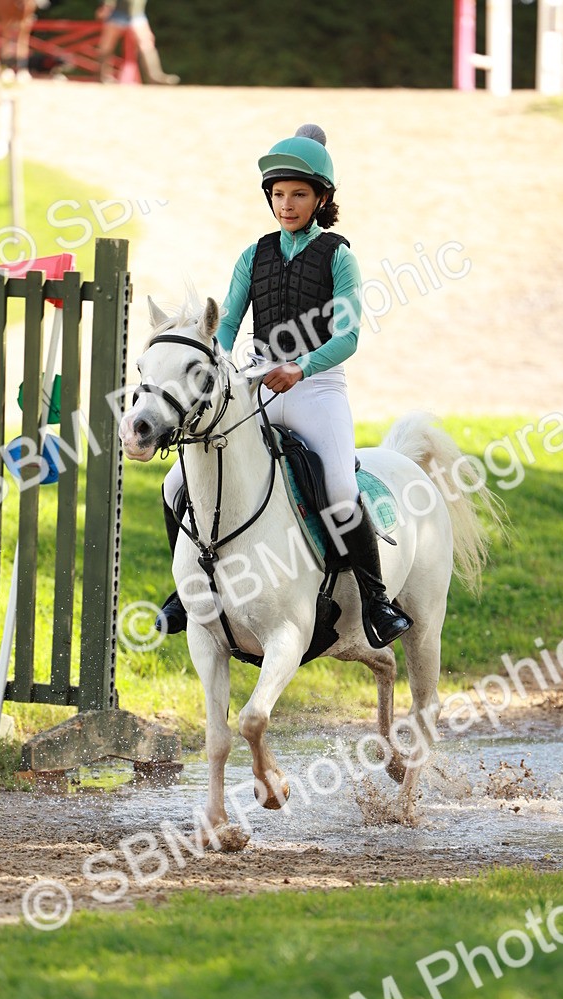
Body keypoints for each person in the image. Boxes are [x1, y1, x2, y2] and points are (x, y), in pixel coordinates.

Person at [156, 123, 412, 649]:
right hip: (257, 386)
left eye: (298, 195)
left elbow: (349, 336)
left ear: (321, 199)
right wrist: (216, 363)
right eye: (278, 195)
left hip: (317, 389)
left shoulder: (339, 256)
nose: (286, 204)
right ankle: (187, 592)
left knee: (339, 488)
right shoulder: (254, 256)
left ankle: (376, 598)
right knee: (175, 485)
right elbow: (225, 328)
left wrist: (301, 367)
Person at [96, 0, 179, 85]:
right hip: (116, 14)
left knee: (147, 44)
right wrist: (106, 5)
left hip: (136, 15)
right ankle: (104, 77)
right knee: (107, 46)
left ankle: (154, 77)